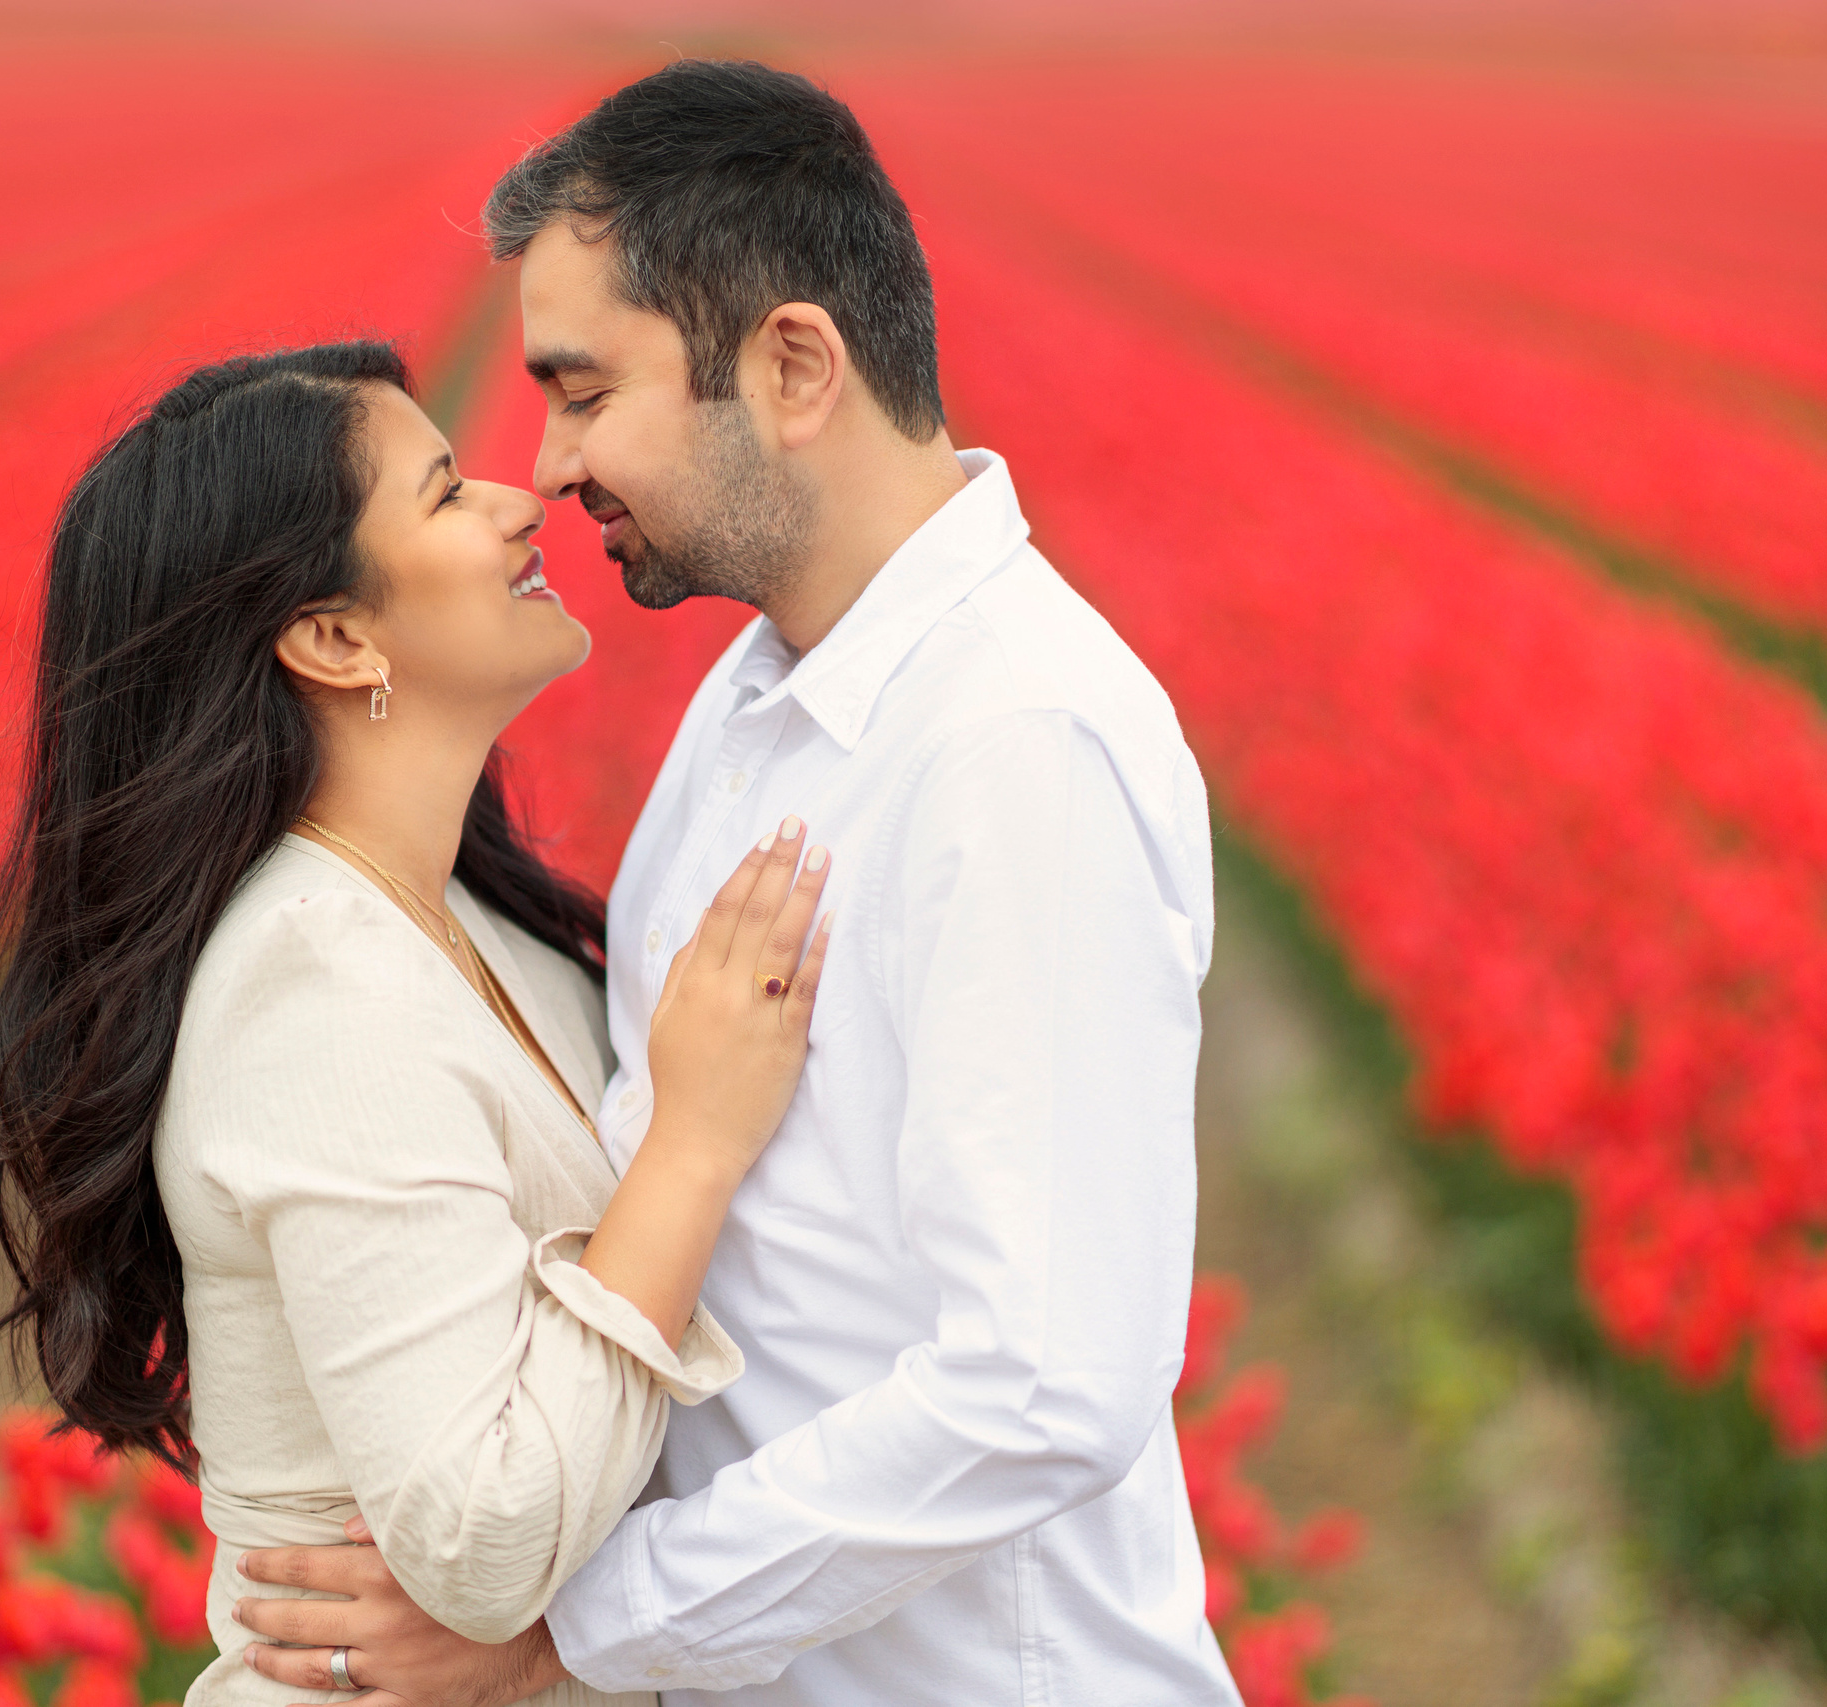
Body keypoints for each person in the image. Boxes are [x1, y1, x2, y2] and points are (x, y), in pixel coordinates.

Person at [234, 61, 1240, 1705]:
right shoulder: (762, 695)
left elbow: (1046, 1382)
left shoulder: (1013, 744)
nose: (547, 463)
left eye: (584, 389)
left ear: (790, 366)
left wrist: (571, 1627)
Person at [0, 338, 838, 1707]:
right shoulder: (317, 995)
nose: (519, 499)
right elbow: (483, 1539)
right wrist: (696, 1144)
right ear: (334, 637)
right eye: (443, 493)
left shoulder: (478, 926)